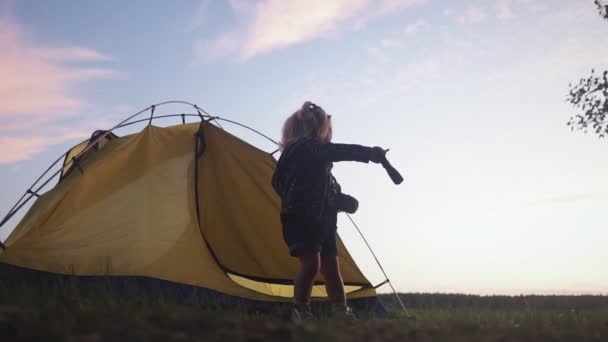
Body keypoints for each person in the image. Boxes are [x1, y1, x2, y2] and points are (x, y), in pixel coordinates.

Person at [271, 101, 387, 322]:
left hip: (323, 223)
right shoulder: (303, 148)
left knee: (332, 267)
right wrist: (370, 154)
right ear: (318, 130)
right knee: (311, 263)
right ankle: (301, 309)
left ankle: (340, 310)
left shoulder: (320, 166)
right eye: (328, 131)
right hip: (302, 220)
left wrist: (343, 201)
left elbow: (328, 193)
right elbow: (337, 151)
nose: (329, 138)